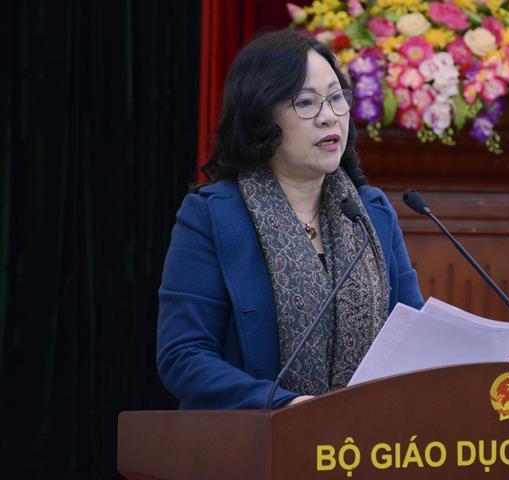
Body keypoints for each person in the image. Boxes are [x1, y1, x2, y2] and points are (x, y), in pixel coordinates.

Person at [156, 30, 424, 410]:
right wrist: (288, 406)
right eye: (306, 102)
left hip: (365, 438)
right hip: (256, 436)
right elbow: (183, 356)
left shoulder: (371, 213)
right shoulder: (213, 218)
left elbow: (412, 338)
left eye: (336, 98)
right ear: (261, 117)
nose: (329, 117)